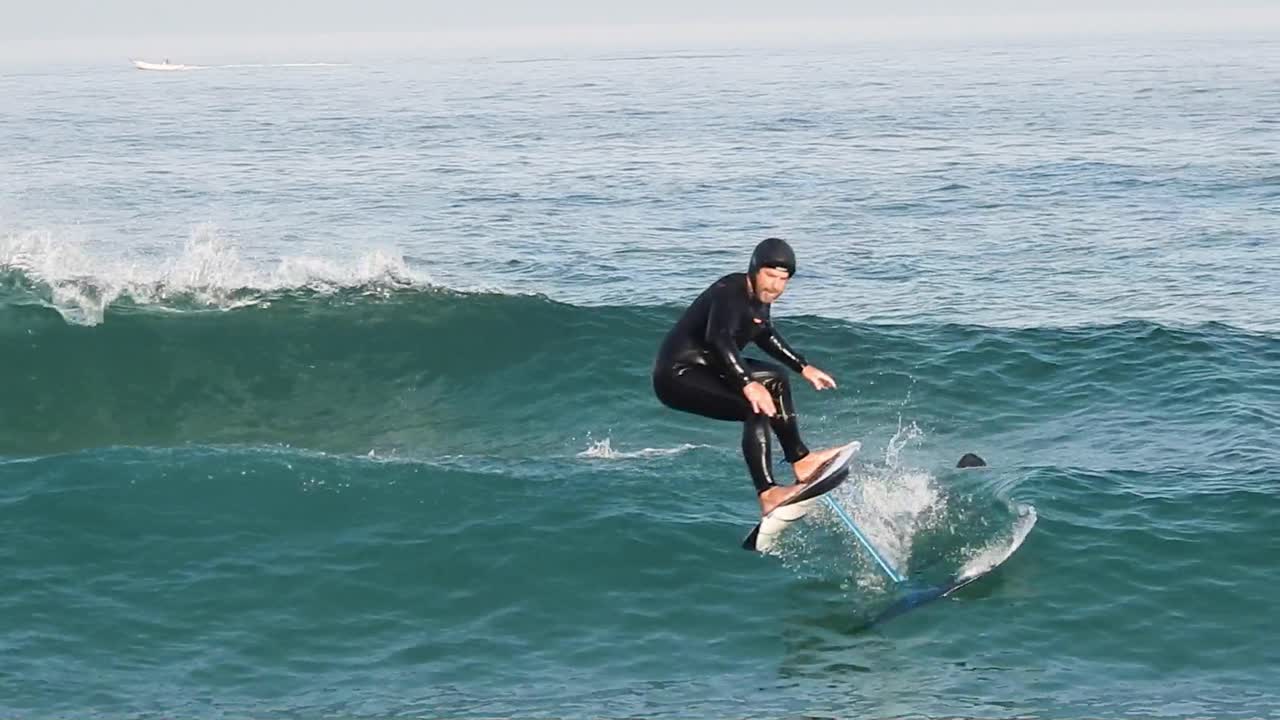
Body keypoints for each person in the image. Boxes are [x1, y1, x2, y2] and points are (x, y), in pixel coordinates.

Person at [652, 237, 844, 518]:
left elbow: (763, 333)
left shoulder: (759, 299)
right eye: (770, 276)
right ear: (754, 270)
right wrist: (748, 383)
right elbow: (718, 339)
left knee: (776, 379)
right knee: (754, 405)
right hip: (677, 375)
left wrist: (803, 367)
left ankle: (801, 461)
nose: (775, 286)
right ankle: (767, 493)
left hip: (711, 366)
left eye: (783, 279)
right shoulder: (729, 291)